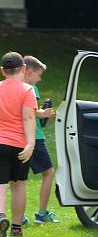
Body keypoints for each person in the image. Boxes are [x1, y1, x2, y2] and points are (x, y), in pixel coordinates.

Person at [0, 52, 36, 237]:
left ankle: (0, 216)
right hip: (20, 145)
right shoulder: (27, 90)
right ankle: (16, 228)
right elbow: (29, 117)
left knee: (0, 186)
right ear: (23, 69)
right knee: (19, 185)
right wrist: (30, 144)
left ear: (2, 71)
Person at [21, 56, 59, 224]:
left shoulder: (13, 87)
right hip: (34, 137)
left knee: (17, 179)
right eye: (38, 75)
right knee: (48, 173)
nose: (39, 79)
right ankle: (42, 214)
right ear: (29, 72)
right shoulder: (31, 88)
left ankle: (19, 218)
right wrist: (43, 113)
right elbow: (31, 111)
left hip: (16, 137)